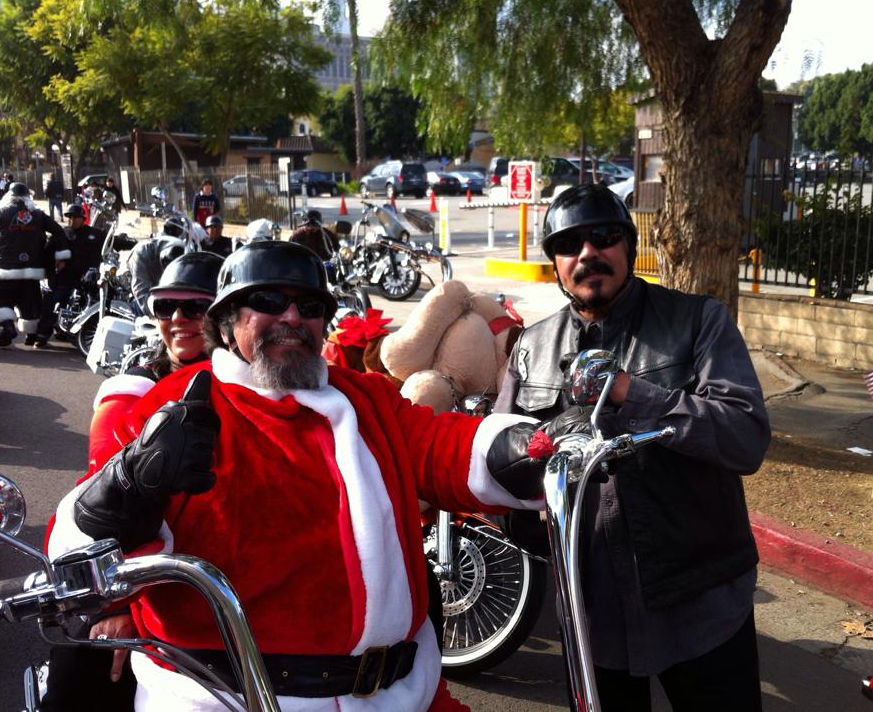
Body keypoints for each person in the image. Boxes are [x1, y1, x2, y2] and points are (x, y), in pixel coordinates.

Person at [48, 240, 560, 711]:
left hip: (402, 694)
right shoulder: (171, 405)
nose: (292, 316)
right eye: (268, 300)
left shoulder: (366, 397)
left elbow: (441, 445)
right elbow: (75, 548)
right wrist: (133, 483)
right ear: (227, 322)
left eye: (310, 307)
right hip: (232, 699)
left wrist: (521, 448)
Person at [494, 184, 771, 711]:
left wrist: (628, 391)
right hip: (592, 611)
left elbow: (745, 438)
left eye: (602, 237)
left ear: (627, 245)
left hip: (700, 598)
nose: (587, 254)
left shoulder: (697, 321)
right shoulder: (530, 348)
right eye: (569, 244)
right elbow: (502, 462)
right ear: (554, 262)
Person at [41, 251, 225, 712]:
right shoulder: (134, 393)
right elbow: (100, 499)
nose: (178, 320)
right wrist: (119, 604)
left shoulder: (264, 390)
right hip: (144, 581)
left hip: (231, 579)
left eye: (194, 307)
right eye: (165, 307)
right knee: (87, 677)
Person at [0, 182, 68, 347]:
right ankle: (31, 334)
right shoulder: (39, 215)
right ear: (28, 197)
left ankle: (7, 325)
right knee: (30, 300)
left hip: (2, 269)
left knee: (1, 298)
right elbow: (58, 231)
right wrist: (61, 256)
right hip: (31, 268)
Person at [33, 204, 106, 347]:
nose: (72, 220)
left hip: (92, 278)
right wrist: (52, 274)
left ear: (83, 218)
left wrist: (134, 243)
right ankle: (41, 337)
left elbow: (114, 242)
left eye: (75, 217)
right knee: (53, 301)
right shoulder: (61, 234)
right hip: (67, 277)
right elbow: (47, 254)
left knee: (107, 300)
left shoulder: (96, 234)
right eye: (69, 217)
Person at [126, 214, 191, 311]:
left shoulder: (184, 250)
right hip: (145, 279)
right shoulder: (141, 255)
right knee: (137, 309)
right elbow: (142, 293)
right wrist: (157, 315)